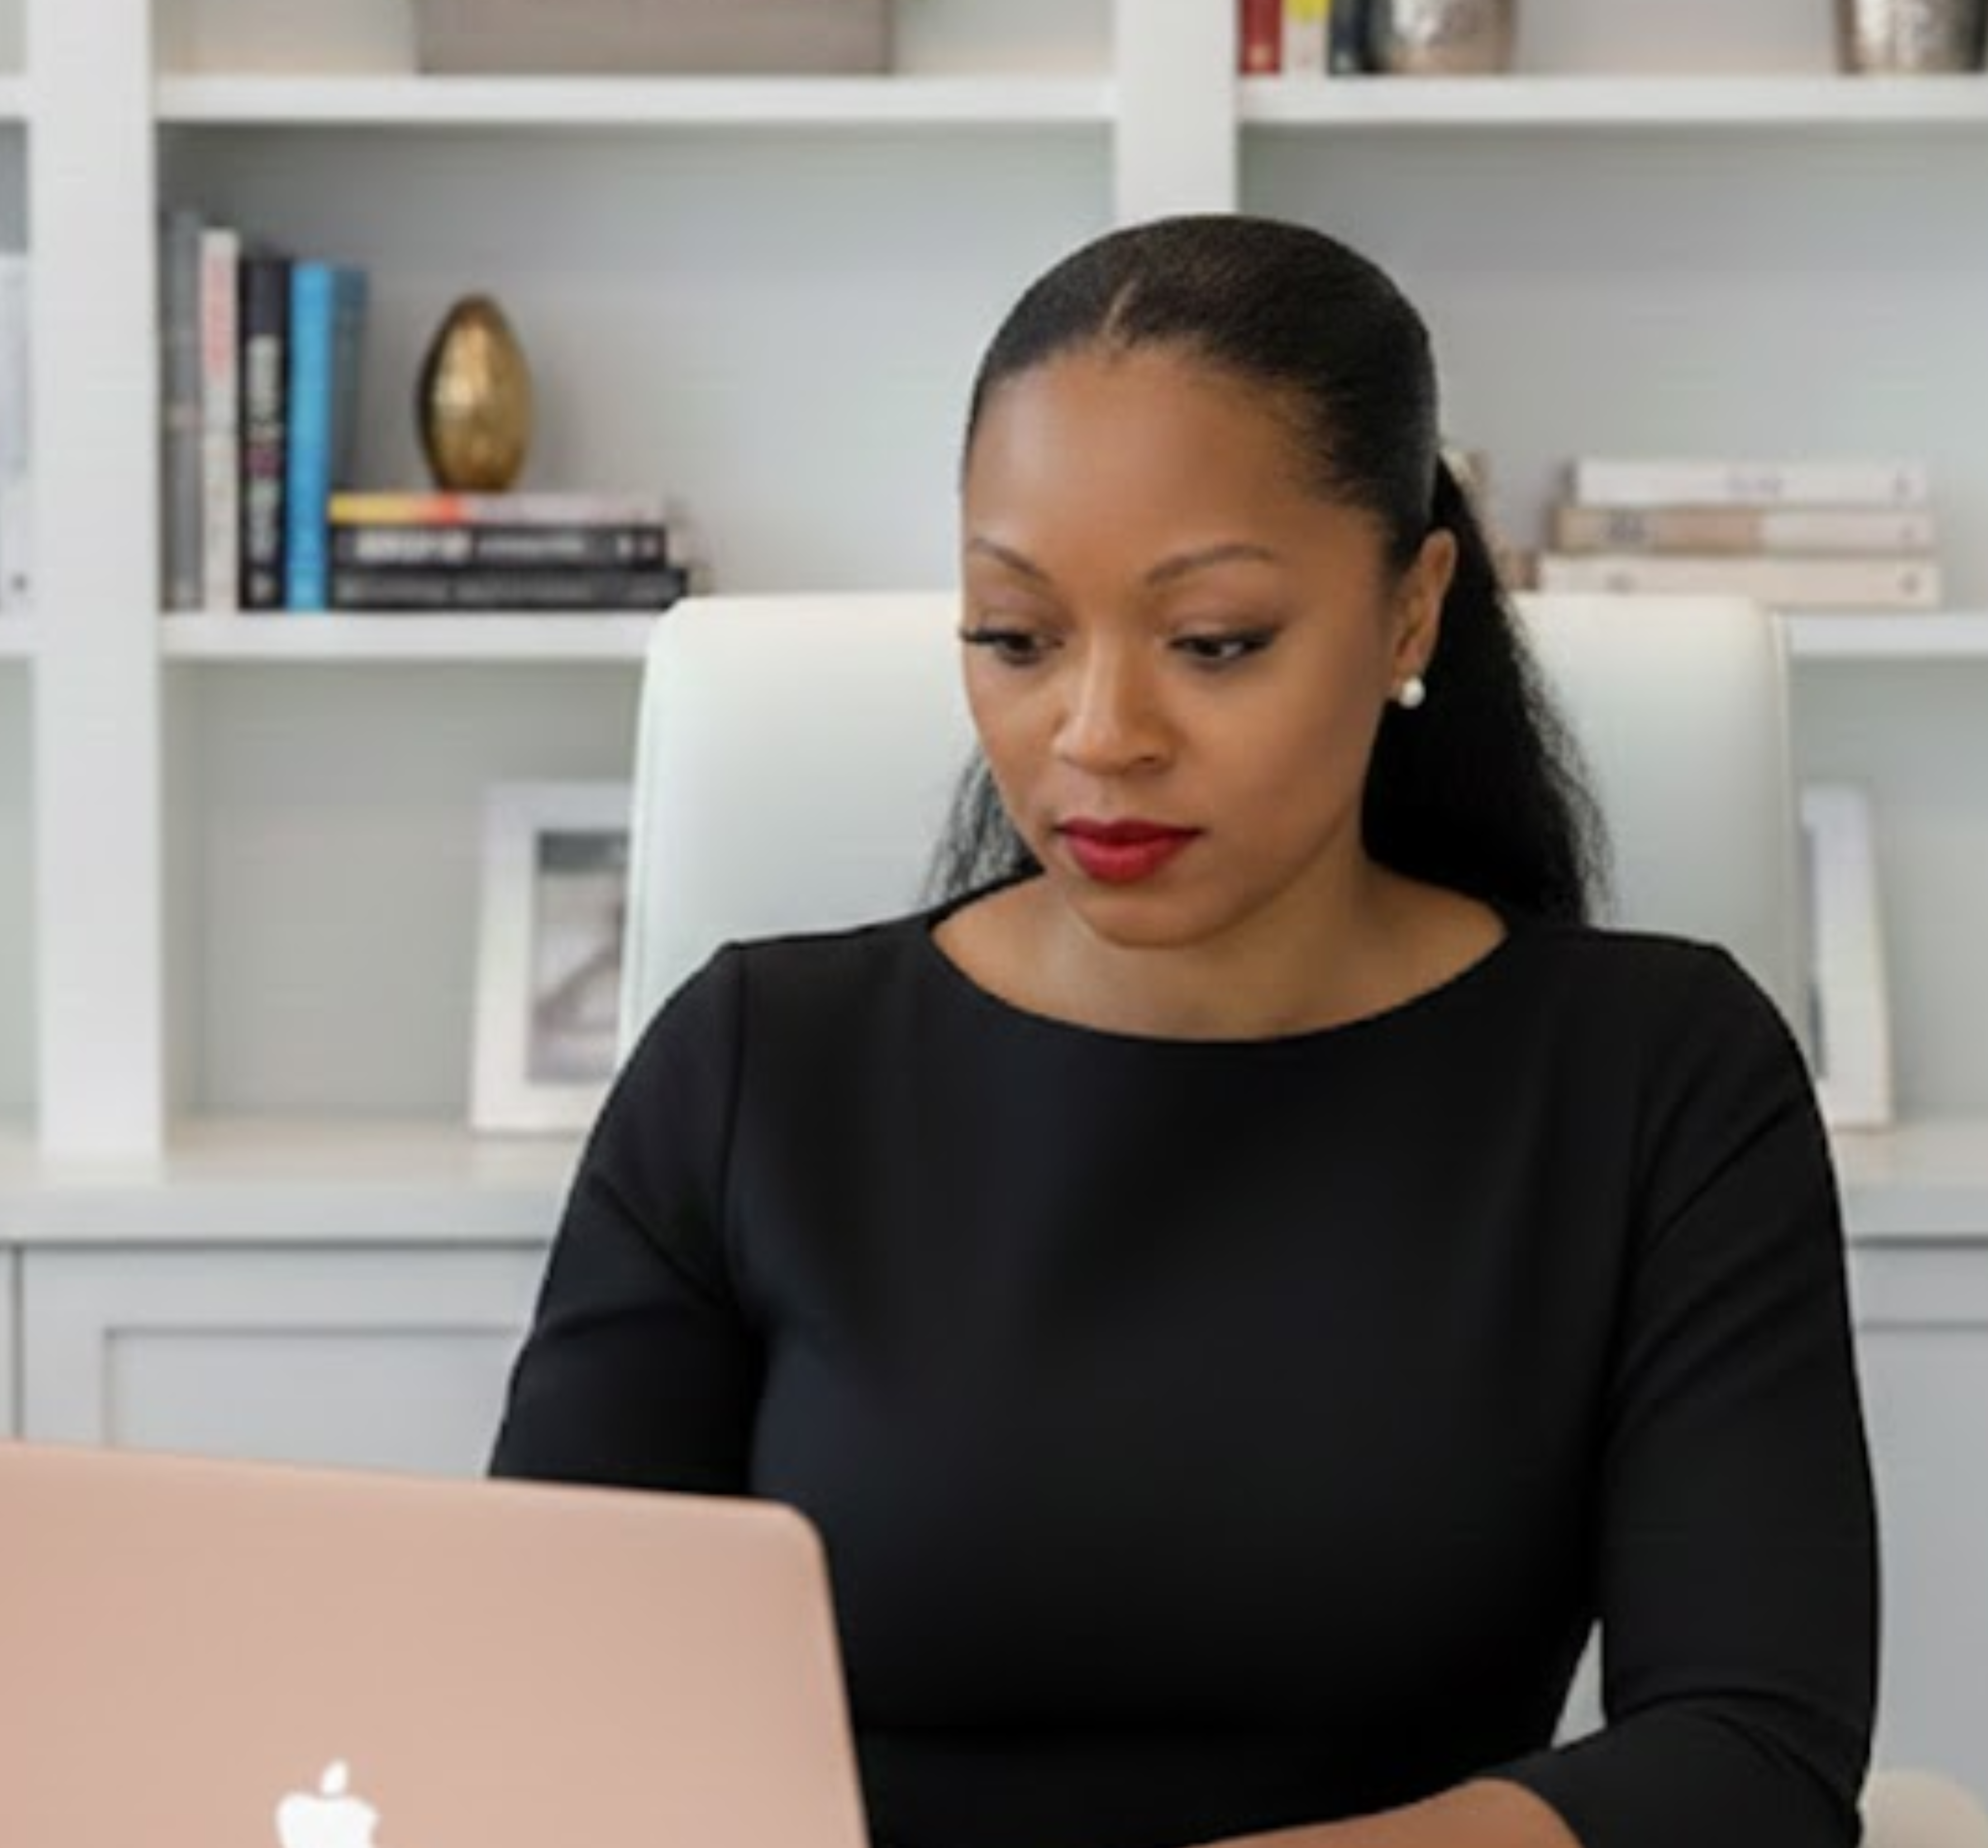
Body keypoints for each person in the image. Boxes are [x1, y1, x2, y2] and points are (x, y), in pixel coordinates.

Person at [489, 213, 1879, 1848]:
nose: (1098, 734)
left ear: (1413, 613)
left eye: (1215, 644)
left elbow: (1751, 1756)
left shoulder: (1658, 1078)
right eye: (1016, 639)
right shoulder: (749, 1067)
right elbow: (547, 1698)